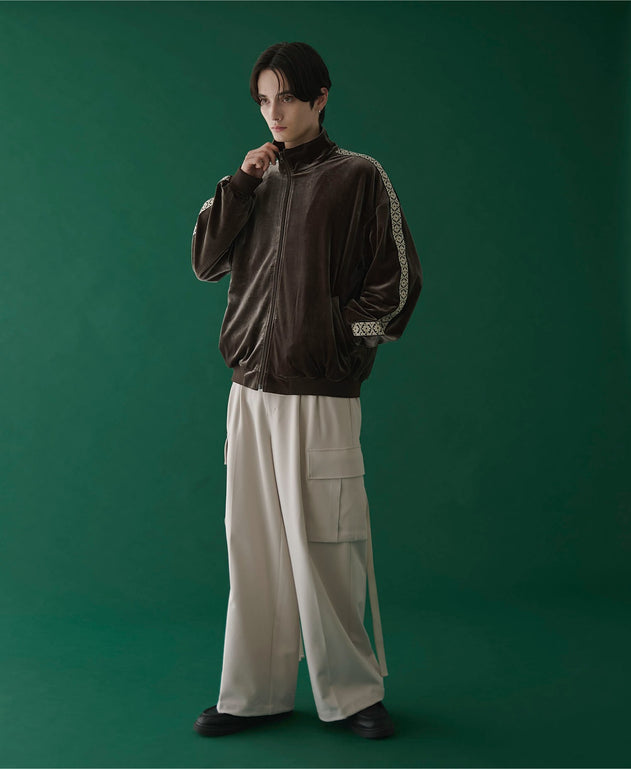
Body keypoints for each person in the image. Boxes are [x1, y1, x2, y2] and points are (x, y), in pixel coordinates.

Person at [190, 41, 423, 739]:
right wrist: (240, 183)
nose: (275, 113)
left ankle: (351, 694)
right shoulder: (251, 182)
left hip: (319, 392)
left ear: (320, 98)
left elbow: (397, 280)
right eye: (264, 100)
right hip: (250, 390)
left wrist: (340, 341)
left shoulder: (358, 176)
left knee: (326, 543)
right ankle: (251, 694)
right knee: (253, 546)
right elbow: (205, 260)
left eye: (287, 97)